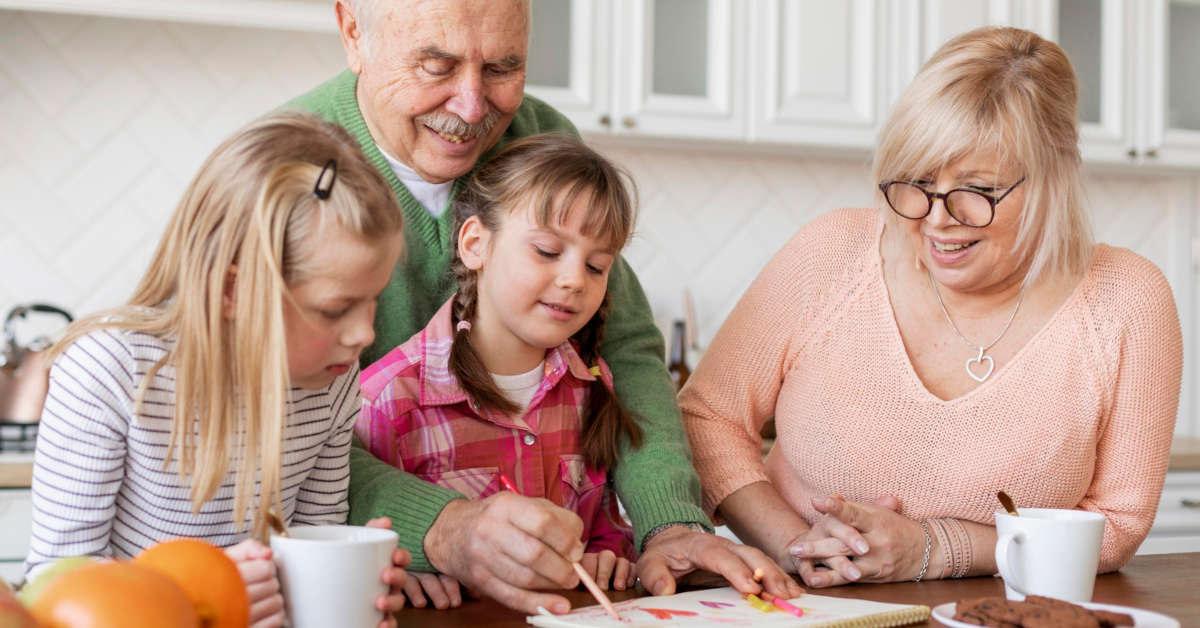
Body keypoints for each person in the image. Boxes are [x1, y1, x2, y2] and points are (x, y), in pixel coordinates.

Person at [286, 0, 801, 614]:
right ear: (351, 31)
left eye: (504, 67)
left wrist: (669, 524)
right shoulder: (281, 169)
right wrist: (435, 530)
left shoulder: (538, 133)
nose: (472, 108)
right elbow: (265, 430)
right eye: (436, 64)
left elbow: (627, 351)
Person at [680, 26, 1183, 588]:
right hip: (802, 601)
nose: (936, 217)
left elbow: (1118, 522)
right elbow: (707, 417)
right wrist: (798, 547)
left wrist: (937, 548)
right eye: (918, 179)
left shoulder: (1126, 299)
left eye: (977, 189)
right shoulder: (832, 253)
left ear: (1055, 176)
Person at [25, 111, 412, 628]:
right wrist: (202, 592)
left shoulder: (332, 380)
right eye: (334, 308)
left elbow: (307, 548)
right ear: (233, 290)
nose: (364, 333)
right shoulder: (109, 370)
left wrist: (349, 590)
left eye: (375, 300)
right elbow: (54, 586)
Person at [358, 134, 644, 603]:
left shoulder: (591, 386)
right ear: (475, 244)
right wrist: (399, 568)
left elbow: (603, 530)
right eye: (548, 251)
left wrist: (606, 554)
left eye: (596, 266)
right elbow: (349, 541)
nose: (574, 279)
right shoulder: (388, 397)